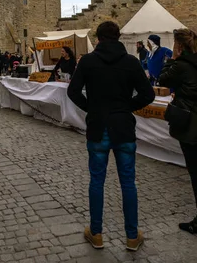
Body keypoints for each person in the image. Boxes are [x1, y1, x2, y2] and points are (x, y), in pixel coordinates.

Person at [67, 21, 155, 252]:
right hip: (123, 126)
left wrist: (92, 108)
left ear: (99, 38)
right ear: (117, 38)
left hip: (98, 126)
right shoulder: (131, 62)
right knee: (128, 182)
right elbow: (147, 94)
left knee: (97, 181)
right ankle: (132, 236)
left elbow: (72, 91)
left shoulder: (88, 61)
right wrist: (127, 107)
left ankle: (96, 233)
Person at [158, 28, 197, 234]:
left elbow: (162, 79)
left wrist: (172, 59)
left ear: (179, 46)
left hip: (191, 125)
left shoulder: (181, 66)